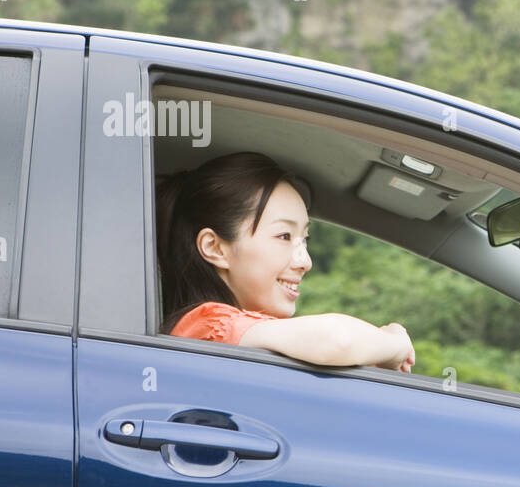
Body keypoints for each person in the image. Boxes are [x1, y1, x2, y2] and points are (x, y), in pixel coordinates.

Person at [157, 151, 415, 372]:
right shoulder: (203, 324)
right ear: (215, 248)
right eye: (284, 236)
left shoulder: (251, 335)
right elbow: (337, 341)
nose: (305, 262)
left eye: (304, 239)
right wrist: (394, 344)